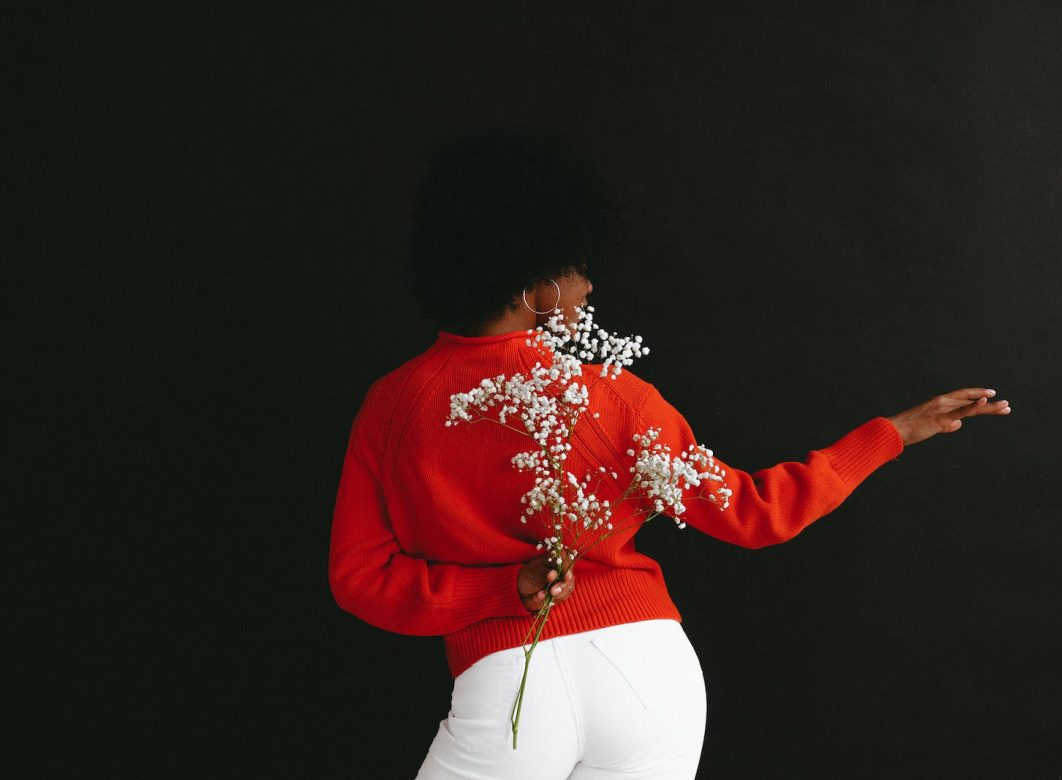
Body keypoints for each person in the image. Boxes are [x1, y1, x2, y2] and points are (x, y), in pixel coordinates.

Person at [327, 126, 1011, 780]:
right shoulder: (612, 398)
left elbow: (359, 577)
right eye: (579, 269)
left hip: (510, 683)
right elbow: (755, 515)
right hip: (651, 677)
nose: (590, 287)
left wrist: (503, 590)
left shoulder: (392, 406)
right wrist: (891, 433)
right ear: (535, 288)